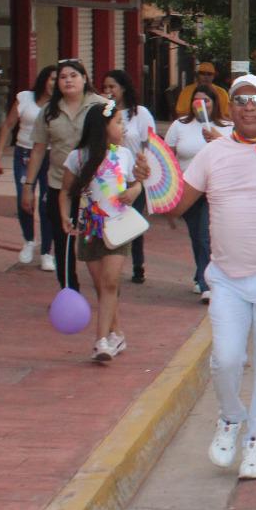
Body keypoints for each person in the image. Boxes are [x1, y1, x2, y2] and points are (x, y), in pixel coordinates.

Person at [165, 75, 256, 480]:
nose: (249, 107)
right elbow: (176, 207)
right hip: (227, 278)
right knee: (226, 359)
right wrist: (149, 181)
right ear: (231, 108)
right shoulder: (212, 153)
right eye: (242, 100)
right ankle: (230, 417)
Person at [58, 100, 151, 361]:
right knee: (101, 285)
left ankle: (100, 341)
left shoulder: (125, 155)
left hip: (119, 225)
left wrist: (134, 191)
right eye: (118, 122)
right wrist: (65, 215)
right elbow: (65, 191)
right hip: (90, 227)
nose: (124, 128)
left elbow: (136, 185)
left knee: (110, 281)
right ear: (102, 126)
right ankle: (117, 333)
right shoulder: (78, 157)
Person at [22, 60, 108, 292]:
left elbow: (116, 138)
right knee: (63, 240)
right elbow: (39, 149)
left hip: (95, 187)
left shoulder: (102, 106)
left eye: (73, 75)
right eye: (62, 77)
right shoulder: (49, 111)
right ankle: (69, 289)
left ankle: (105, 290)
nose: (68, 80)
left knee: (97, 240)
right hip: (60, 185)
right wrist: (29, 185)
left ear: (84, 78)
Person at [166, 89, 230, 301]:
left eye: (206, 100)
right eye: (197, 100)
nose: (201, 104)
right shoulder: (180, 125)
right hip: (188, 188)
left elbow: (235, 154)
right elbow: (169, 155)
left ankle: (206, 283)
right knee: (196, 235)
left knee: (205, 234)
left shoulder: (227, 127)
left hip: (214, 189)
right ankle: (201, 273)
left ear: (215, 103)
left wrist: (219, 139)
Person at [0, 64, 57, 269]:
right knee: (24, 199)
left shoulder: (61, 104)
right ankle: (29, 240)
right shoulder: (25, 98)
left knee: (47, 204)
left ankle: (47, 252)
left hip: (50, 155)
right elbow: (8, 125)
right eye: (52, 79)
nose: (55, 84)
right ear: (44, 79)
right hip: (24, 153)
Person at [100, 70, 157, 285]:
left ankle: (137, 264)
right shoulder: (105, 112)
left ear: (123, 88)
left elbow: (150, 143)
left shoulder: (140, 113)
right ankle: (110, 261)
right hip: (110, 175)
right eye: (105, 87)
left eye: (112, 87)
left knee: (133, 218)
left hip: (134, 175)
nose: (108, 91)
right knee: (109, 217)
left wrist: (145, 169)